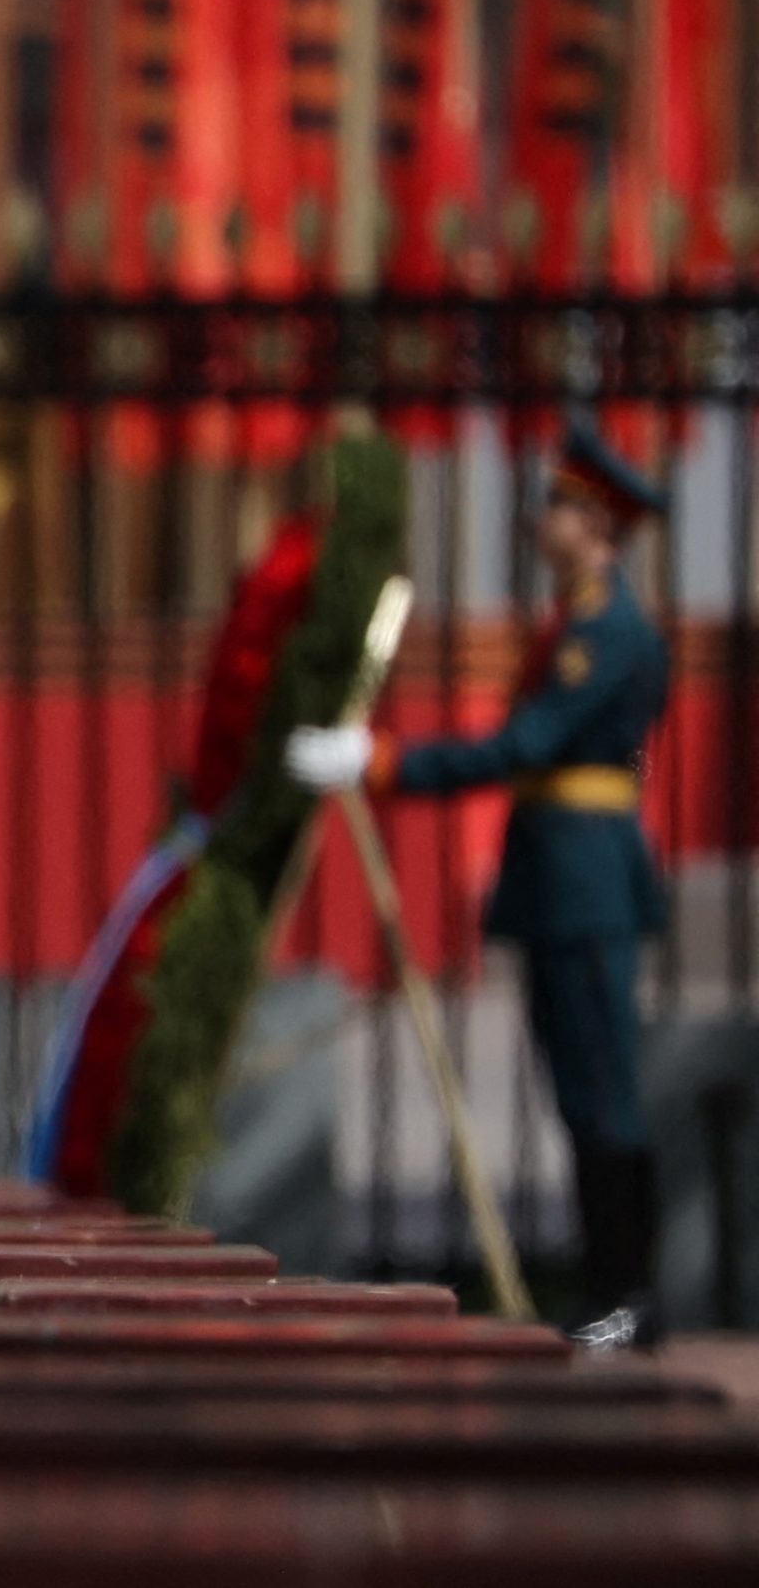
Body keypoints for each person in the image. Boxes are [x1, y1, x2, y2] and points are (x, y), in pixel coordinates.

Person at [286, 423, 671, 1352]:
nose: (542, 522)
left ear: (597, 524)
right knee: (578, 1092)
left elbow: (526, 748)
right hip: (559, 874)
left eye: (558, 508)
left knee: (602, 1091)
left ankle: (633, 1299)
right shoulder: (578, 621)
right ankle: (607, 1287)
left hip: (586, 881)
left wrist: (379, 762)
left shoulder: (607, 632)